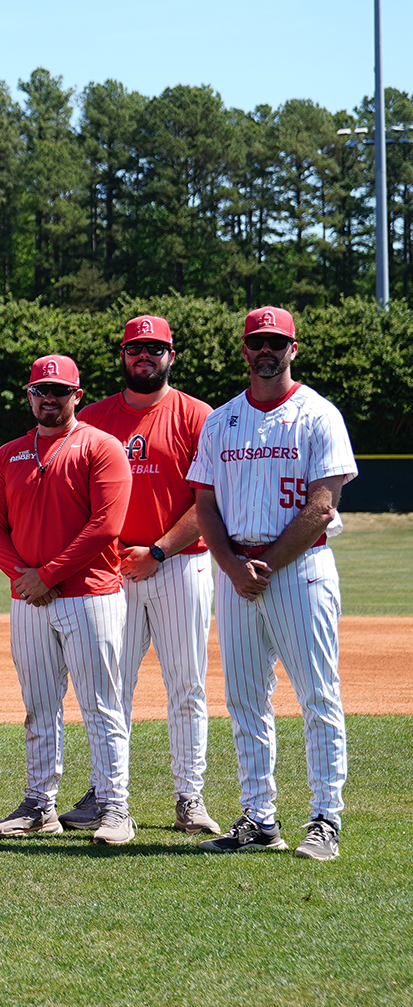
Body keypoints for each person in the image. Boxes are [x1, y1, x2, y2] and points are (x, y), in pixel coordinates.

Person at [191, 306, 357, 861]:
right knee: (244, 699)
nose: (266, 350)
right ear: (244, 349)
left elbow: (322, 505)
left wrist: (264, 565)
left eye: (276, 342)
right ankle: (259, 816)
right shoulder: (221, 421)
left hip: (301, 569)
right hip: (236, 573)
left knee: (317, 695)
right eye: (257, 341)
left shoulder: (318, 414)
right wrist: (235, 566)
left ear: (292, 348)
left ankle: (325, 817)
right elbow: (206, 503)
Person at [74, 315, 219, 835]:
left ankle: (190, 797)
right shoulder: (90, 418)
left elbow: (209, 501)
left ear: (171, 356)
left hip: (180, 565)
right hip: (111, 573)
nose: (145, 356)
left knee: (186, 685)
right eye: (136, 348)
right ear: (123, 355)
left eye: (155, 348)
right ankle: (104, 793)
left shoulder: (197, 416)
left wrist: (156, 551)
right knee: (109, 686)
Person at [0, 355, 134, 844]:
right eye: (40, 390)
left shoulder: (101, 447)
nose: (49, 398)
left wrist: (47, 574)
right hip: (29, 601)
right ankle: (39, 804)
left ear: (77, 395)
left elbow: (105, 526)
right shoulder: (8, 456)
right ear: (29, 396)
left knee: (101, 705)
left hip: (91, 595)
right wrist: (24, 578)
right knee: (39, 705)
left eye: (59, 391)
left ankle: (115, 808)